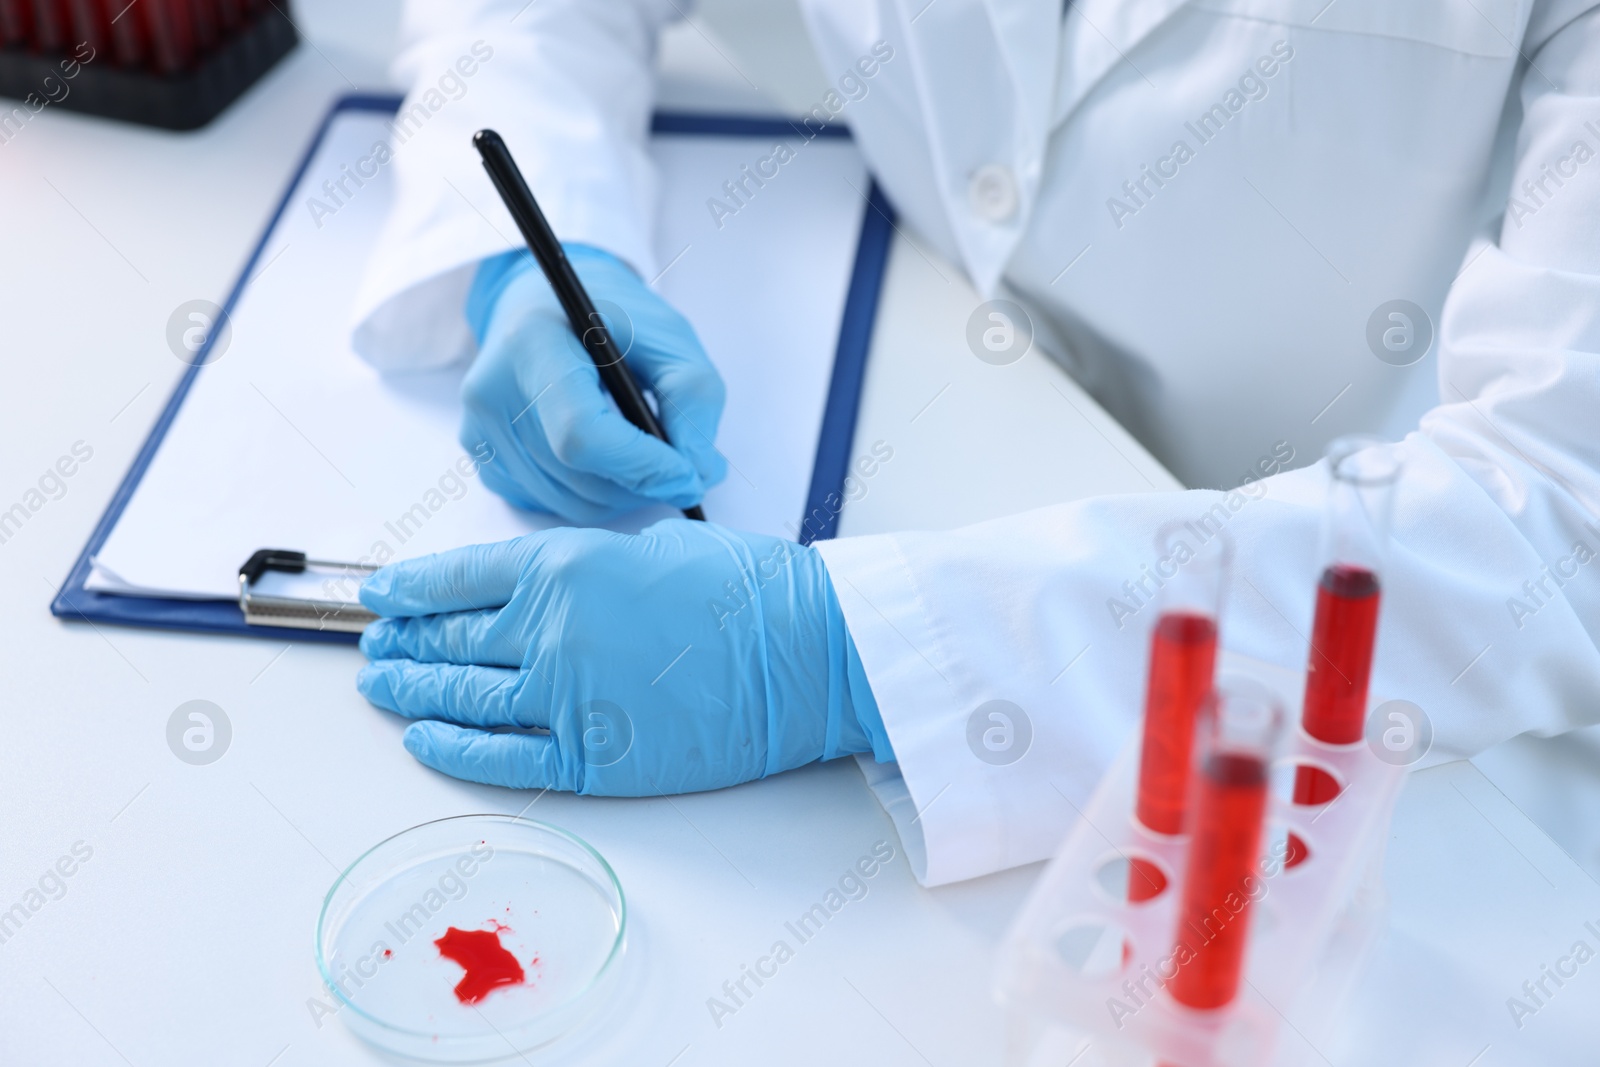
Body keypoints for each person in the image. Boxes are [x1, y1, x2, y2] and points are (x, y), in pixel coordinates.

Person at [349, 0, 1600, 886]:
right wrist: (536, 248)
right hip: (920, 376)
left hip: (1387, 720)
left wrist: (857, 650)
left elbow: (1560, 506)